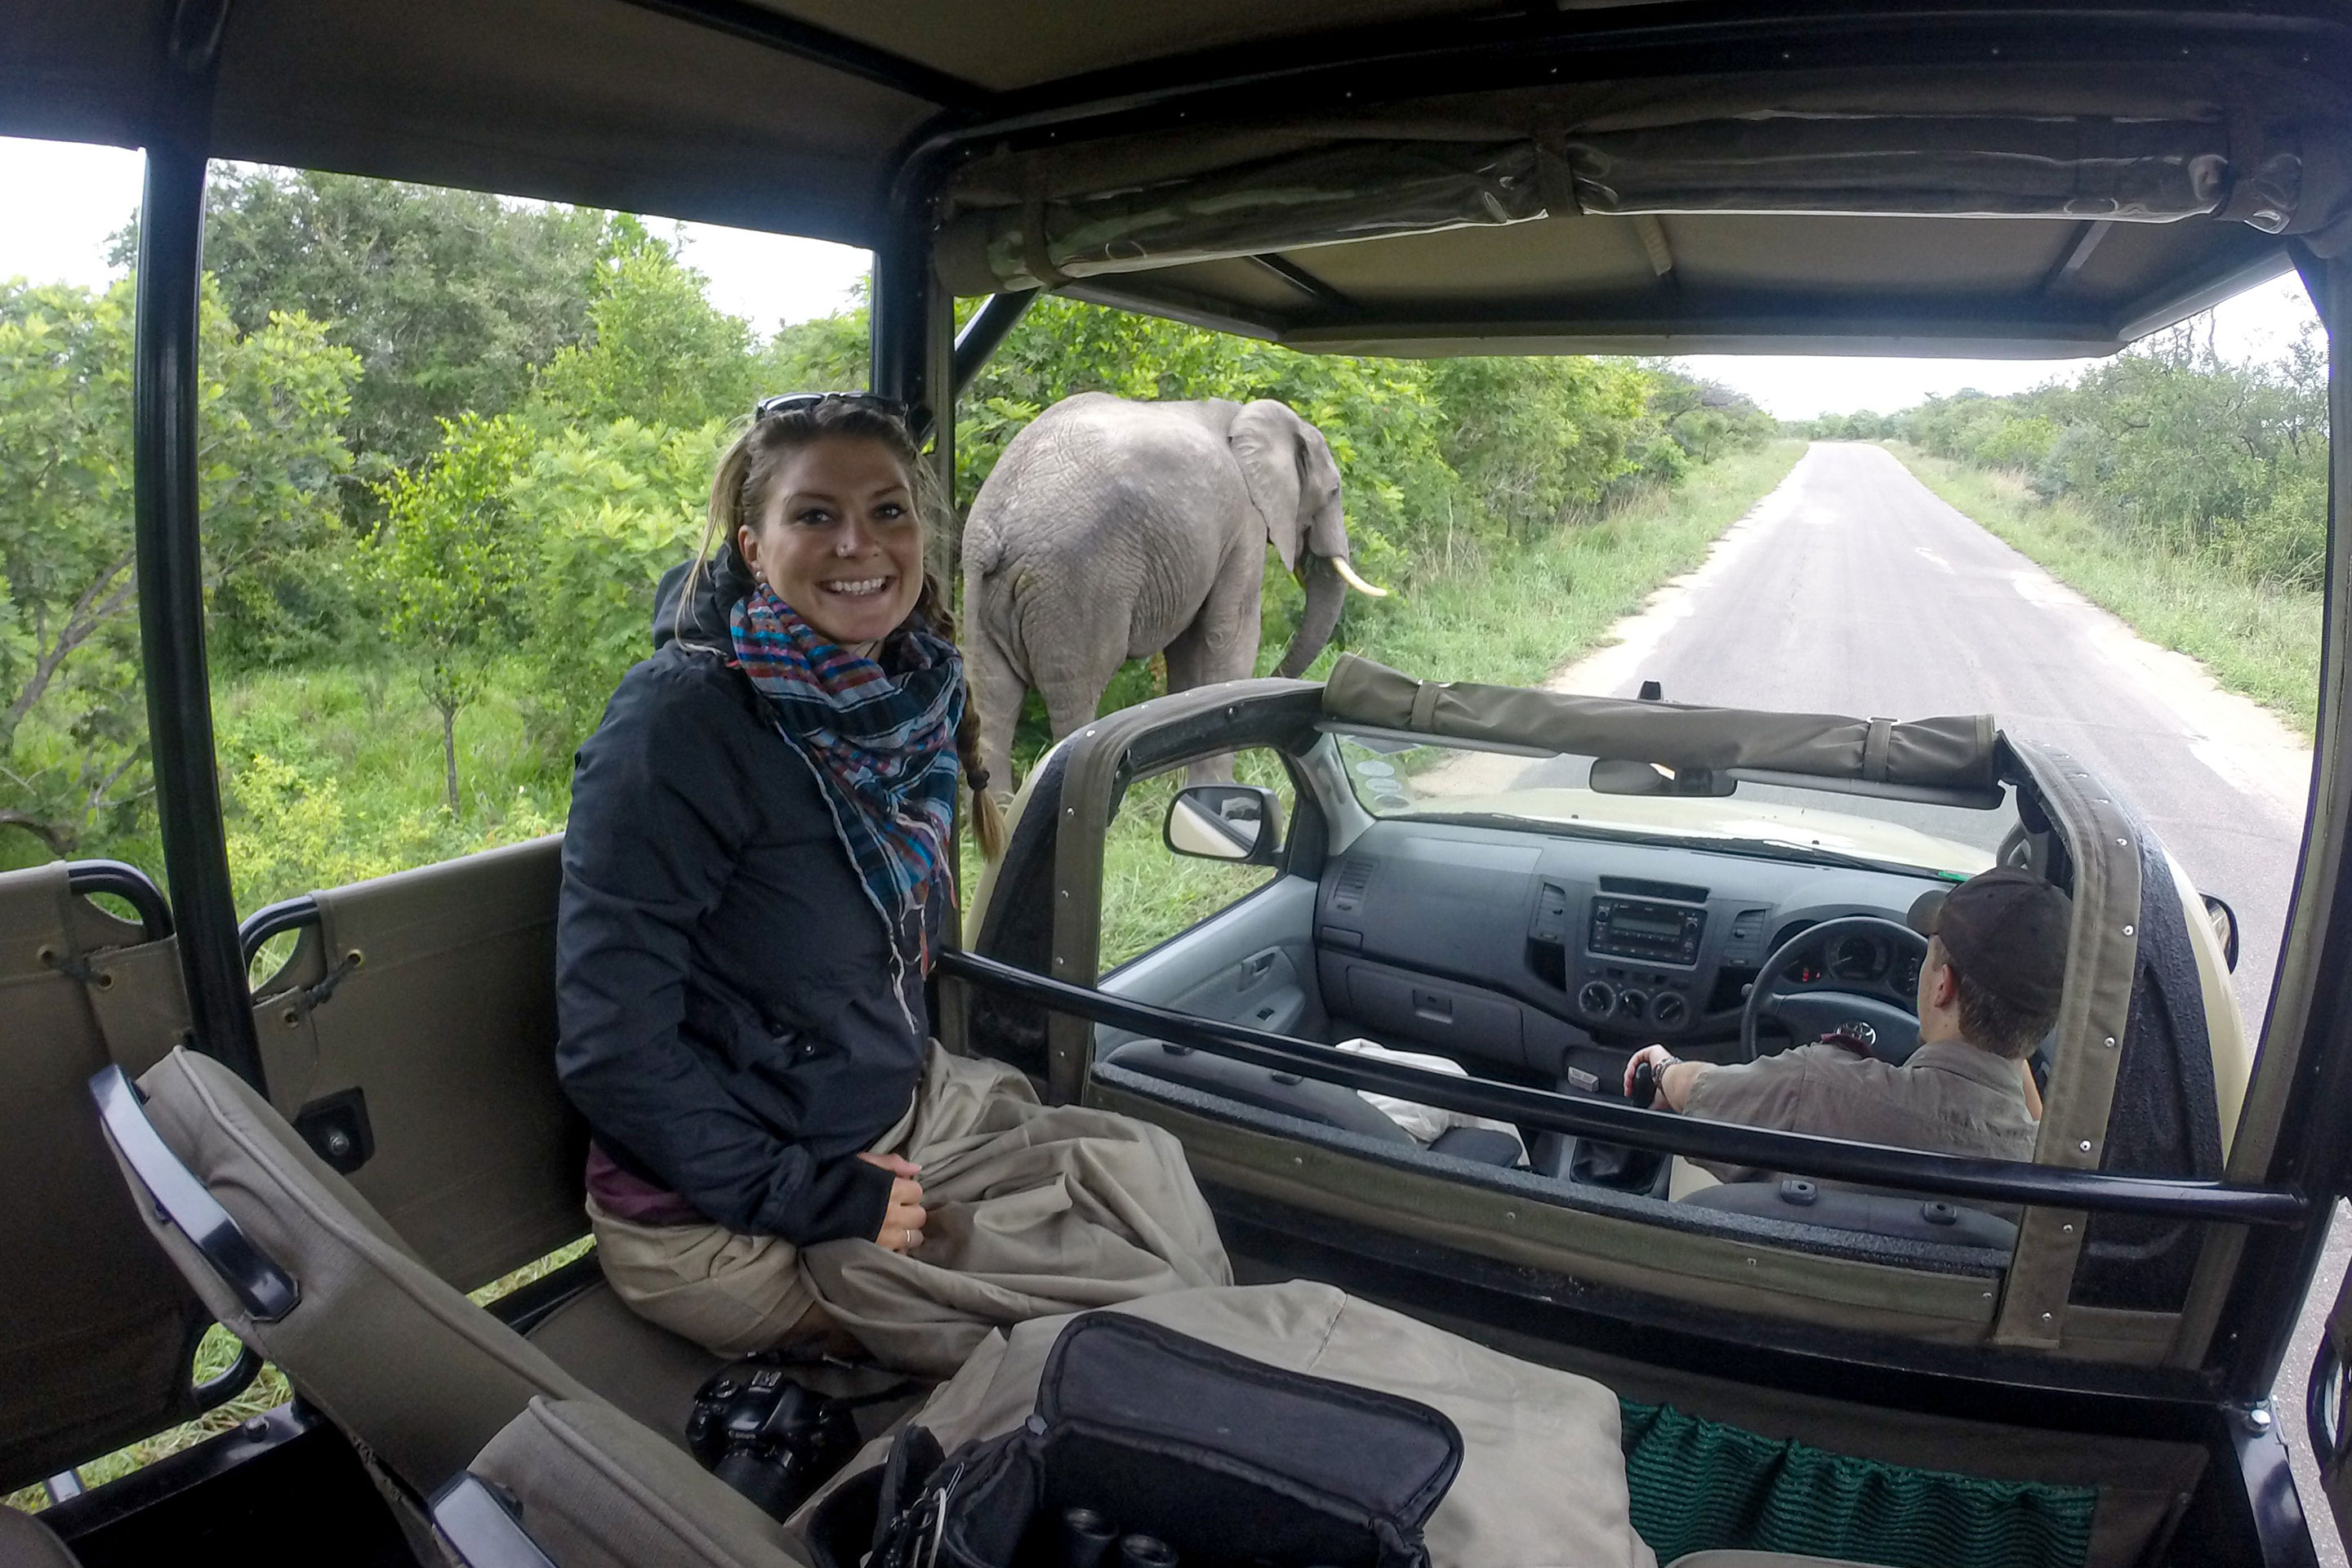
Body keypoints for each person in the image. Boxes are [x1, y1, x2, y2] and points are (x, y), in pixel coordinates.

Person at [555, 393, 1232, 1377]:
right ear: (753, 546)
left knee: (1146, 1172)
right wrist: (820, 1197)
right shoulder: (680, 729)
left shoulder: (903, 693)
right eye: (814, 515)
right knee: (1116, 1341)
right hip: (735, 1212)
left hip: (893, 1114)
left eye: (888, 511)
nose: (857, 544)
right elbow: (611, 1045)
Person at [1622, 866, 2069, 1183]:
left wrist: (1664, 1068)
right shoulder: (2043, 1172)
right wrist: (2012, 1033)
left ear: (1941, 986)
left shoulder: (1814, 1086)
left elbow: (1705, 1093)